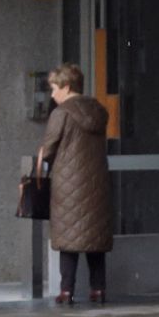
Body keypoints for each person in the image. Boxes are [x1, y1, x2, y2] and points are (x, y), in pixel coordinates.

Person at [38, 63, 113, 304]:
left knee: (68, 237)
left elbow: (49, 148)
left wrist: (37, 163)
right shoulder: (99, 111)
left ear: (67, 87)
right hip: (96, 183)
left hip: (68, 184)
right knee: (94, 238)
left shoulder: (61, 113)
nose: (52, 95)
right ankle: (98, 288)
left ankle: (67, 290)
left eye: (54, 88)